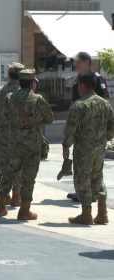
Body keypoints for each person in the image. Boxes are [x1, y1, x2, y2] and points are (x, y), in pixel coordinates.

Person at [0, 69, 54, 220]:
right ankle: (24, 211)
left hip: (14, 144)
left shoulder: (9, 98)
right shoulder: (37, 99)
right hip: (32, 146)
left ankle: (0, 206)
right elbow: (50, 118)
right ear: (33, 83)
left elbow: (6, 115)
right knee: (28, 178)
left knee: (9, 174)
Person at [63, 71, 114, 225]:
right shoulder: (105, 104)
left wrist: (66, 146)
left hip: (83, 149)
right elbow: (112, 126)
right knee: (98, 178)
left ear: (84, 85)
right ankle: (102, 213)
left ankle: (86, 214)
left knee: (82, 178)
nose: (78, 87)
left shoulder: (79, 105)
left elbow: (70, 129)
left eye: (79, 84)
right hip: (99, 148)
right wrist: (105, 139)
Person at [68, 52, 109, 202]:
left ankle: (90, 196)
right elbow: (74, 103)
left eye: (78, 62)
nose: (75, 65)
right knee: (81, 167)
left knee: (94, 168)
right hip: (80, 132)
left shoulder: (97, 79)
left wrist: (105, 133)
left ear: (86, 62)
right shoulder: (77, 80)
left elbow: (105, 102)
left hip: (94, 132)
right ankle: (82, 191)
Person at [0, 62, 25, 207]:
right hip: (19, 136)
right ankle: (17, 196)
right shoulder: (24, 93)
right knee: (19, 166)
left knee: (3, 166)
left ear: (9, 75)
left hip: (2, 136)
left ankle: (4, 195)